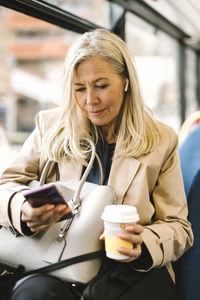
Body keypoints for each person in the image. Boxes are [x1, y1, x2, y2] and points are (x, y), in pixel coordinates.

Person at [0, 29, 193, 299]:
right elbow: (4, 186)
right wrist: (21, 208)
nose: (90, 101)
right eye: (79, 89)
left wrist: (144, 243)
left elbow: (178, 227)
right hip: (56, 260)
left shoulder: (161, 139)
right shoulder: (51, 126)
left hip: (126, 268)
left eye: (101, 86)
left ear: (125, 80)